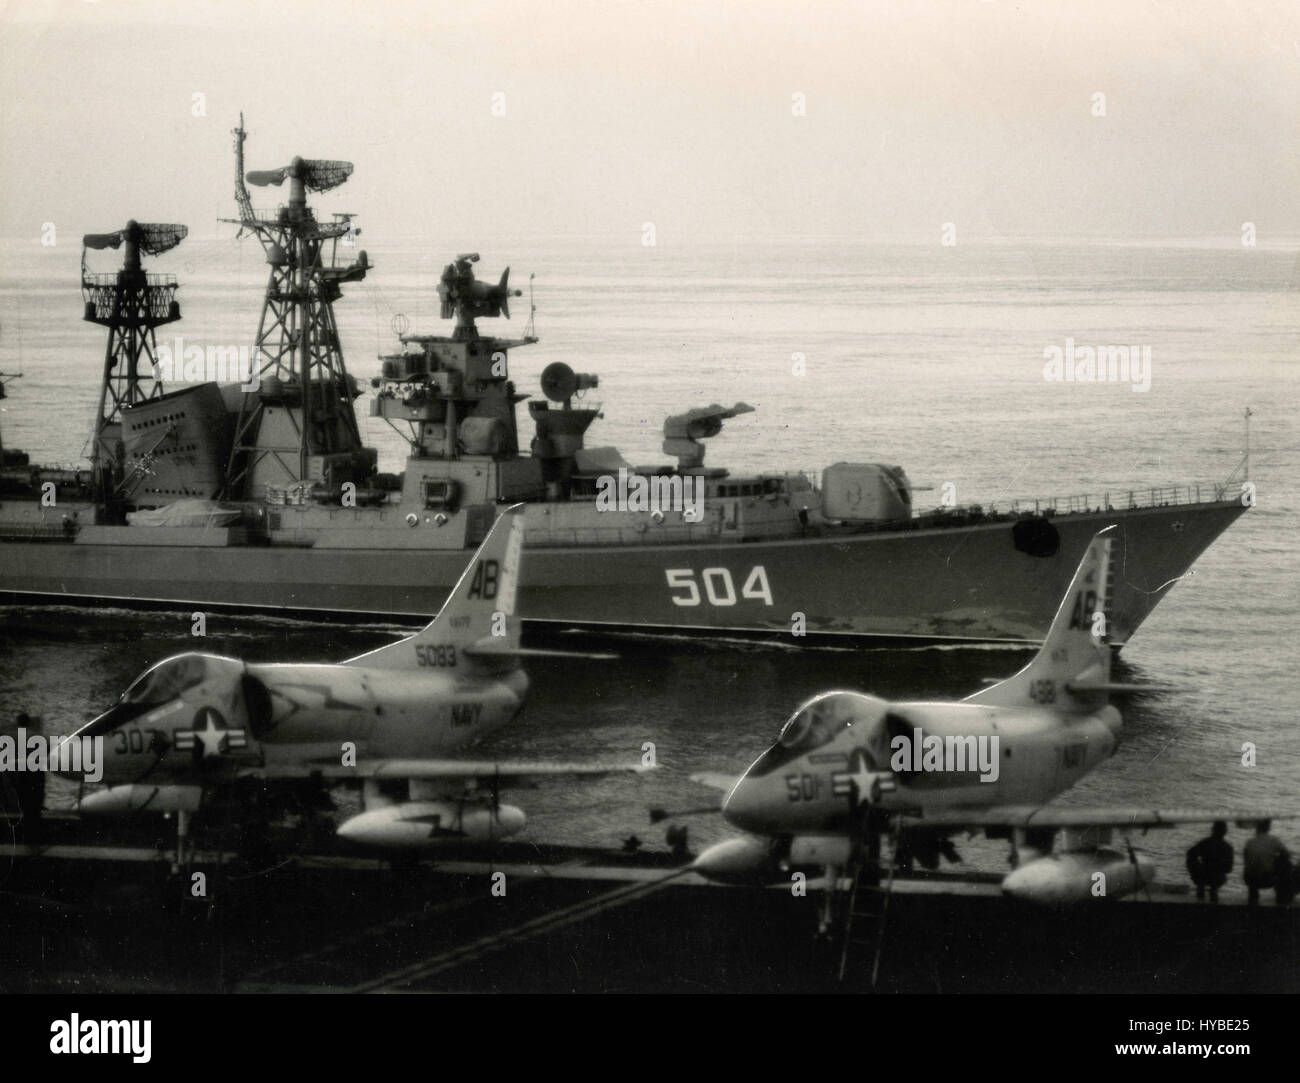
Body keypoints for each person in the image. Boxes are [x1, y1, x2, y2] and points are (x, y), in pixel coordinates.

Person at [1243, 820, 1291, 907]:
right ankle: (1281, 896)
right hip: (1267, 879)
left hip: (1250, 879)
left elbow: (1246, 859)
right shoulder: (1273, 840)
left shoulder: (1249, 842)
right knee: (1283, 861)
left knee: (1253, 865)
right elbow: (1287, 855)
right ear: (1268, 827)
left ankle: (1253, 896)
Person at [1186, 821, 1233, 903]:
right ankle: (1213, 891)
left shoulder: (1205, 842)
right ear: (1225, 832)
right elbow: (1229, 869)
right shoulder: (1227, 847)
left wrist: (1196, 867)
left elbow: (1190, 853)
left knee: (1201, 875)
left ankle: (1201, 888)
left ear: (1213, 830)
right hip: (1218, 877)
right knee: (1217, 880)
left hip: (1203, 874)